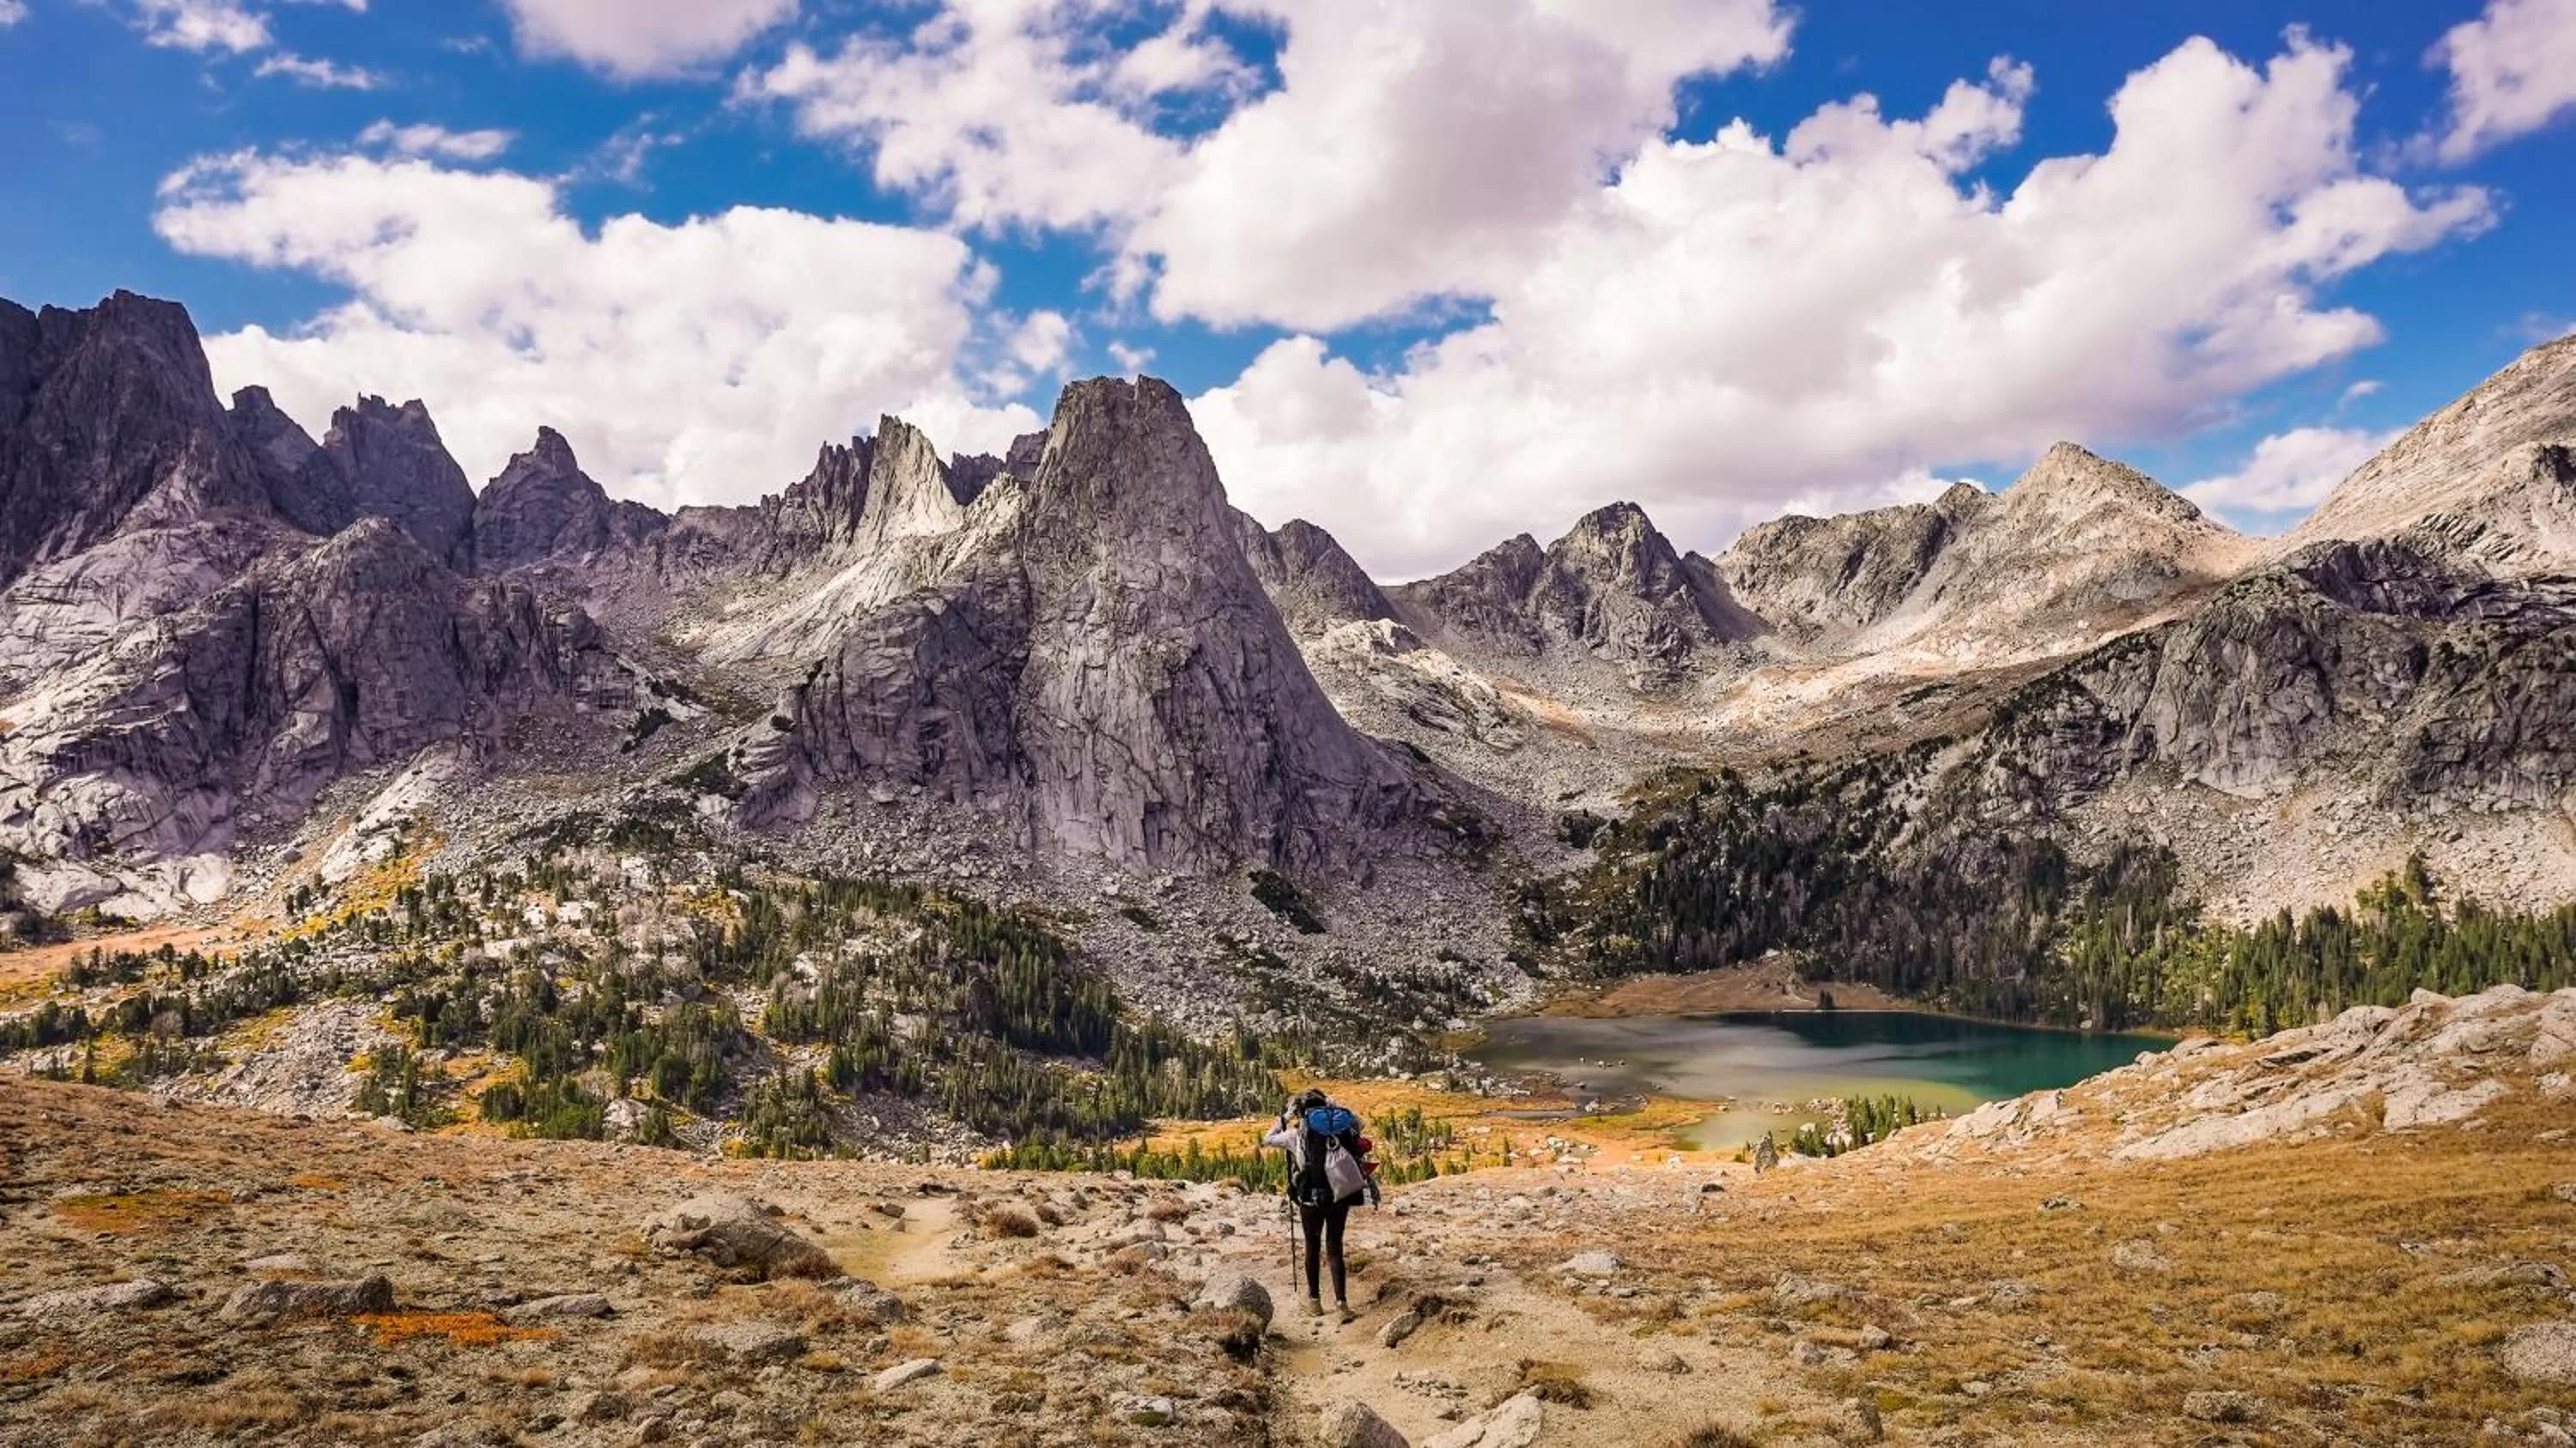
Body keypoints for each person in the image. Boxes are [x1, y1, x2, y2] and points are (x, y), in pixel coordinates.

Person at [1264, 1087, 1372, 1322]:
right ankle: (1342, 1303)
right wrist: (1336, 1105)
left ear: (1301, 1111)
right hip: (1340, 1194)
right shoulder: (1343, 1129)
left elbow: (1268, 1139)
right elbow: (1360, 1123)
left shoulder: (1296, 1135)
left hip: (1310, 1198)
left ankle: (1314, 1302)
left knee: (1312, 1246)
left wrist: (1286, 1116)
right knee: (1335, 1247)